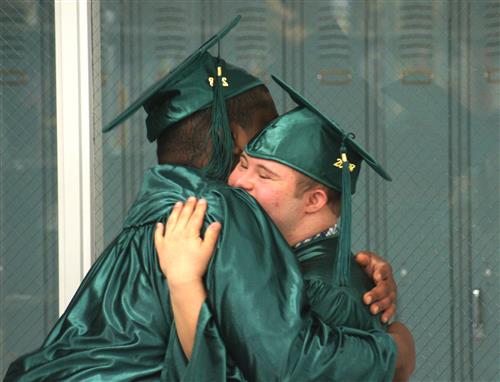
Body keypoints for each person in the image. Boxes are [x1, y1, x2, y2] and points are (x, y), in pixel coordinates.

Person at [6, 17, 400, 381]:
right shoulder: (220, 210)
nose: (269, 148)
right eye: (259, 144)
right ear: (233, 137)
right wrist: (396, 349)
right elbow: (286, 362)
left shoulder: (156, 208)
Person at [155, 76, 415, 381]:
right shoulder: (280, 261)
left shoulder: (323, 292)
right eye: (243, 163)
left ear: (314, 200)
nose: (239, 182)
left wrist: (184, 282)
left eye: (264, 175)